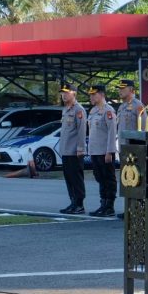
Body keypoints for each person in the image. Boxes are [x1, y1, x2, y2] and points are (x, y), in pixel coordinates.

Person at [115, 79, 146, 218]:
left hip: (135, 150)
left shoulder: (138, 105)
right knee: (126, 180)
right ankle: (128, 208)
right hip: (124, 149)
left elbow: (143, 128)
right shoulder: (121, 107)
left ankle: (137, 209)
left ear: (131, 90)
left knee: (136, 180)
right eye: (119, 88)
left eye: (123, 88)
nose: (120, 90)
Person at [86, 84, 118, 217]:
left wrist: (110, 151)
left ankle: (109, 206)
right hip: (95, 151)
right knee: (99, 178)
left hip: (105, 151)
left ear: (102, 95)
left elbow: (112, 132)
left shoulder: (108, 111)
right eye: (90, 95)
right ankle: (103, 204)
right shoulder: (93, 111)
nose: (91, 97)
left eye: (94, 94)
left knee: (108, 179)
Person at [58, 83, 86, 215]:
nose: (63, 95)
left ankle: (79, 204)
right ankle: (73, 202)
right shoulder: (65, 109)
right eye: (62, 93)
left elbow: (81, 131)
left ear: (74, 93)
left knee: (76, 178)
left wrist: (80, 148)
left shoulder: (78, 109)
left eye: (66, 92)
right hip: (66, 150)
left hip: (74, 151)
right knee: (69, 178)